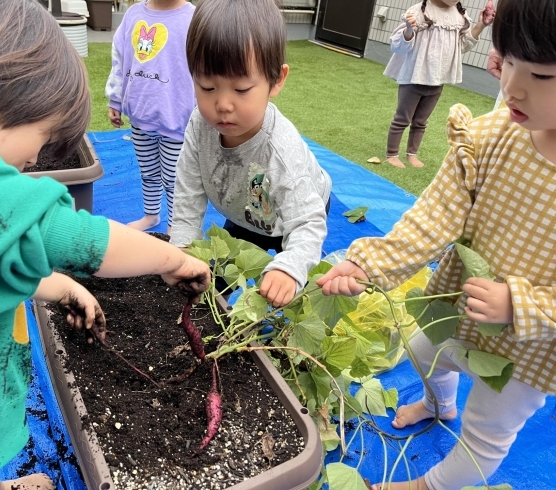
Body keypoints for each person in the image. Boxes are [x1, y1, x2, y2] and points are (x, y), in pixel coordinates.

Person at [0, 1, 210, 489]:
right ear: (7, 94)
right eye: (41, 139)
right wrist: (171, 258)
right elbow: (79, 238)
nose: (32, 160)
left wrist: (58, 287)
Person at [317, 0, 556, 488]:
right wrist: (369, 264)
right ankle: (438, 403)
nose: (511, 86)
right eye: (506, 61)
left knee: (488, 430)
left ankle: (428, 484)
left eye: (541, 76)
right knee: (424, 352)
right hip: (459, 305)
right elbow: (434, 215)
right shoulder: (491, 136)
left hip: (532, 347)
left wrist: (520, 304)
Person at [169, 0, 332, 308]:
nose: (223, 104)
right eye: (206, 86)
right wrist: (184, 247)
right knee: (216, 282)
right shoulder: (198, 125)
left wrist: (290, 266)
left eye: (241, 89)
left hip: (294, 212)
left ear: (277, 80)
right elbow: (188, 191)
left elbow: (308, 222)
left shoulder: (281, 150)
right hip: (247, 214)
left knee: (299, 291)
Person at [105, 0, 196, 234]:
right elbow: (119, 58)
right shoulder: (134, 14)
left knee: (175, 180)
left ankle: (176, 227)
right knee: (148, 172)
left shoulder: (195, 18)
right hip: (140, 114)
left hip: (177, 118)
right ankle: (151, 215)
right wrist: (115, 98)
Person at [383, 0, 493, 169]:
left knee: (421, 121)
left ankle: (412, 153)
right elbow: (398, 46)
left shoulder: (459, 15)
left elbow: (460, 46)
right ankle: (392, 154)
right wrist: (409, 29)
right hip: (414, 76)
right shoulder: (419, 11)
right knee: (402, 118)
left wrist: (480, 25)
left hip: (437, 79)